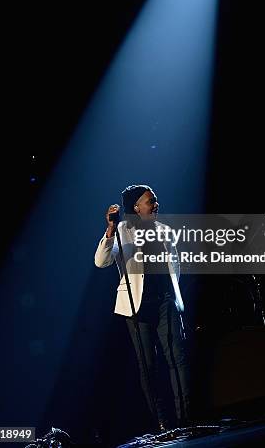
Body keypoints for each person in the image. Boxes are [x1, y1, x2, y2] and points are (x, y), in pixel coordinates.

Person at [94, 184, 191, 430]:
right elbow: (101, 261)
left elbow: (175, 266)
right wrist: (110, 229)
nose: (156, 204)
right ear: (136, 207)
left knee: (178, 359)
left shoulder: (165, 231)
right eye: (151, 201)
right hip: (136, 308)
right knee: (148, 366)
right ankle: (162, 423)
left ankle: (186, 416)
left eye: (155, 199)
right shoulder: (122, 231)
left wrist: (172, 295)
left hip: (165, 302)